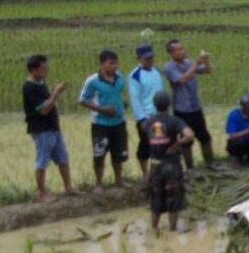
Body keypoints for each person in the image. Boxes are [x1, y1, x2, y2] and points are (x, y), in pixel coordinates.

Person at [23, 54, 75, 201]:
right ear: (33, 69)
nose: (46, 70)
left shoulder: (41, 83)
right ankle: (41, 193)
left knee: (63, 157)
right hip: (41, 130)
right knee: (42, 160)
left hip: (53, 127)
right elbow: (43, 109)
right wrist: (56, 93)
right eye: (43, 67)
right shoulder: (29, 87)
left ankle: (68, 187)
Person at [141, 91, 194, 235]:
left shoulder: (148, 122)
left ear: (154, 104)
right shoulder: (174, 121)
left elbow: (146, 133)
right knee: (174, 198)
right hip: (172, 164)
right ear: (169, 104)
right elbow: (189, 135)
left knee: (156, 199)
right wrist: (176, 145)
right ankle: (172, 230)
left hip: (155, 165)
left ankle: (154, 229)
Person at [78, 49, 128, 189]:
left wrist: (122, 104)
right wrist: (102, 109)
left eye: (116, 63)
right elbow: (82, 100)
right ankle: (99, 183)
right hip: (100, 124)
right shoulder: (92, 81)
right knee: (99, 154)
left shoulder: (118, 77)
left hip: (118, 122)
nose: (115, 66)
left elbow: (117, 94)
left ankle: (119, 179)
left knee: (118, 154)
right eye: (111, 63)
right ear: (102, 64)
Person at [163, 39, 213, 168]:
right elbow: (182, 80)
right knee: (186, 141)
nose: (183, 51)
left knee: (205, 137)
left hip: (195, 106)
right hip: (182, 109)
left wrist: (205, 60)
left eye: (182, 48)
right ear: (171, 53)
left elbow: (207, 70)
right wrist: (196, 64)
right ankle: (190, 168)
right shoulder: (169, 67)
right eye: (179, 49)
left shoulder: (188, 63)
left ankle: (210, 164)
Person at [128, 43, 164, 179]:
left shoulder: (156, 72)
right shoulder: (135, 76)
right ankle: (146, 174)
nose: (150, 61)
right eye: (146, 59)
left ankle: (155, 172)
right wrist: (141, 119)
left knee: (159, 146)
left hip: (159, 115)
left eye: (151, 58)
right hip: (147, 117)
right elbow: (135, 98)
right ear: (139, 58)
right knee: (146, 146)